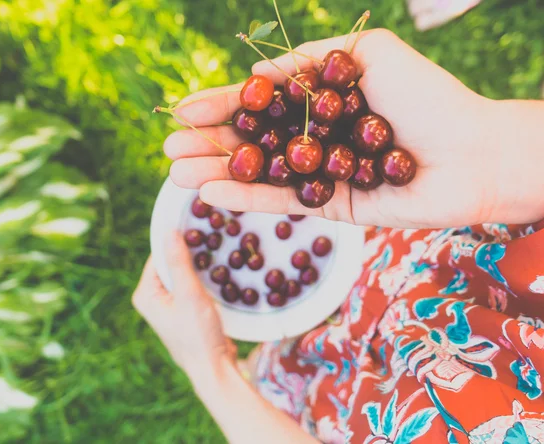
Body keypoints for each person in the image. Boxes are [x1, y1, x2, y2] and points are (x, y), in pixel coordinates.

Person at [132, 29, 544, 443]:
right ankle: (280, 358)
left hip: (348, 405)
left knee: (287, 370)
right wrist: (488, 149)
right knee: (307, 331)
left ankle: (270, 375)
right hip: (446, 252)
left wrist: (211, 368)